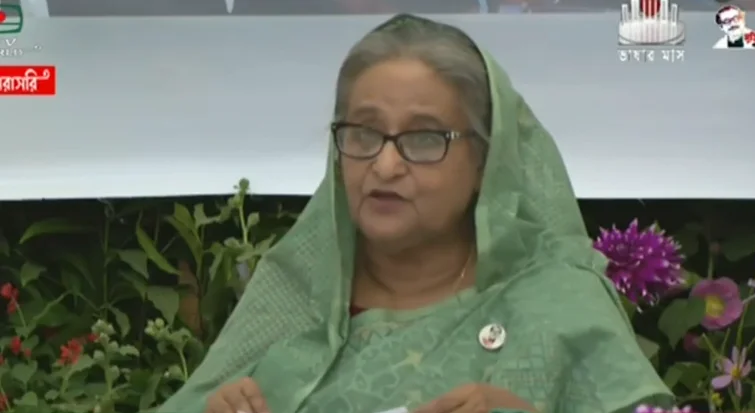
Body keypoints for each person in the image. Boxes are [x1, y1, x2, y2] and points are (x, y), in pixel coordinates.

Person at [157, 14, 673, 413]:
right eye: (363, 133)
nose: (384, 165)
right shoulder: (296, 296)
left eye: (425, 138)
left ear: (485, 161)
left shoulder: (557, 305)